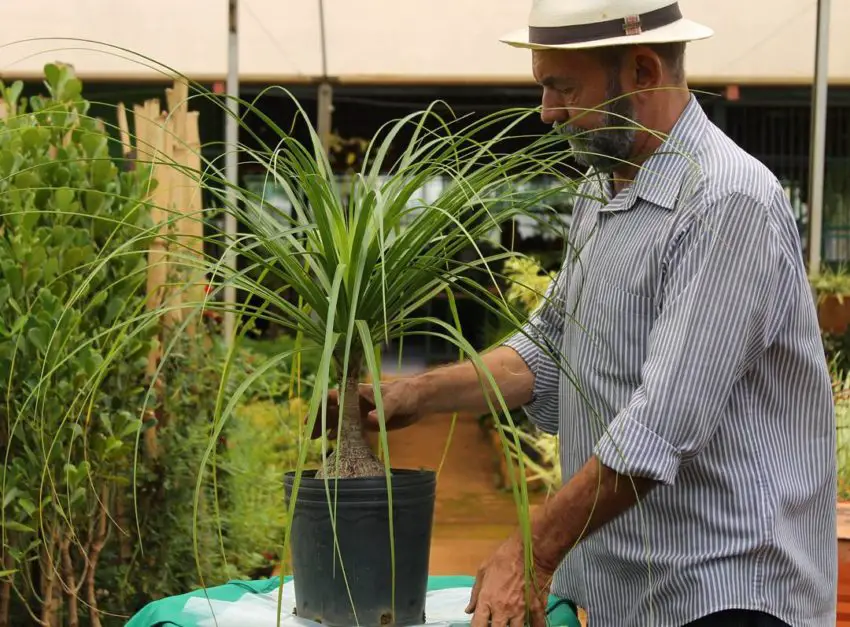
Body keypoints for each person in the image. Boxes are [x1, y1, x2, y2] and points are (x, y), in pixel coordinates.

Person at [313, 1, 838, 625]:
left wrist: (533, 552)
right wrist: (413, 395)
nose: (548, 111)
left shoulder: (727, 202)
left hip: (727, 589)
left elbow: (660, 424)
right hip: (637, 590)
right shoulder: (604, 187)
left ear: (643, 71)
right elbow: (550, 345)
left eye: (563, 87)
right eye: (544, 85)